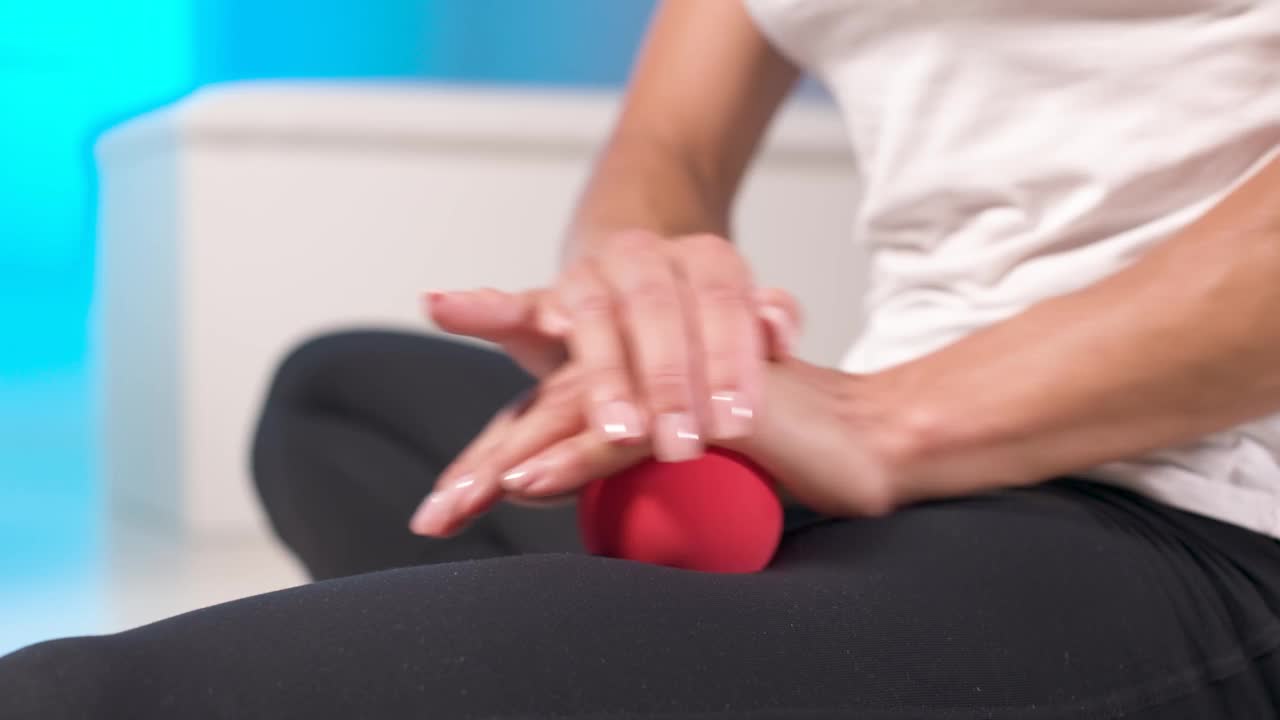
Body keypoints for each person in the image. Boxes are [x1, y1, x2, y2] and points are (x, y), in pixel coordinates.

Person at [4, 0, 1280, 717]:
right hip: (903, 466)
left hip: (1191, 509)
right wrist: (641, 311)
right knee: (338, 400)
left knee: (84, 700)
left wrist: (898, 421)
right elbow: (664, 147)